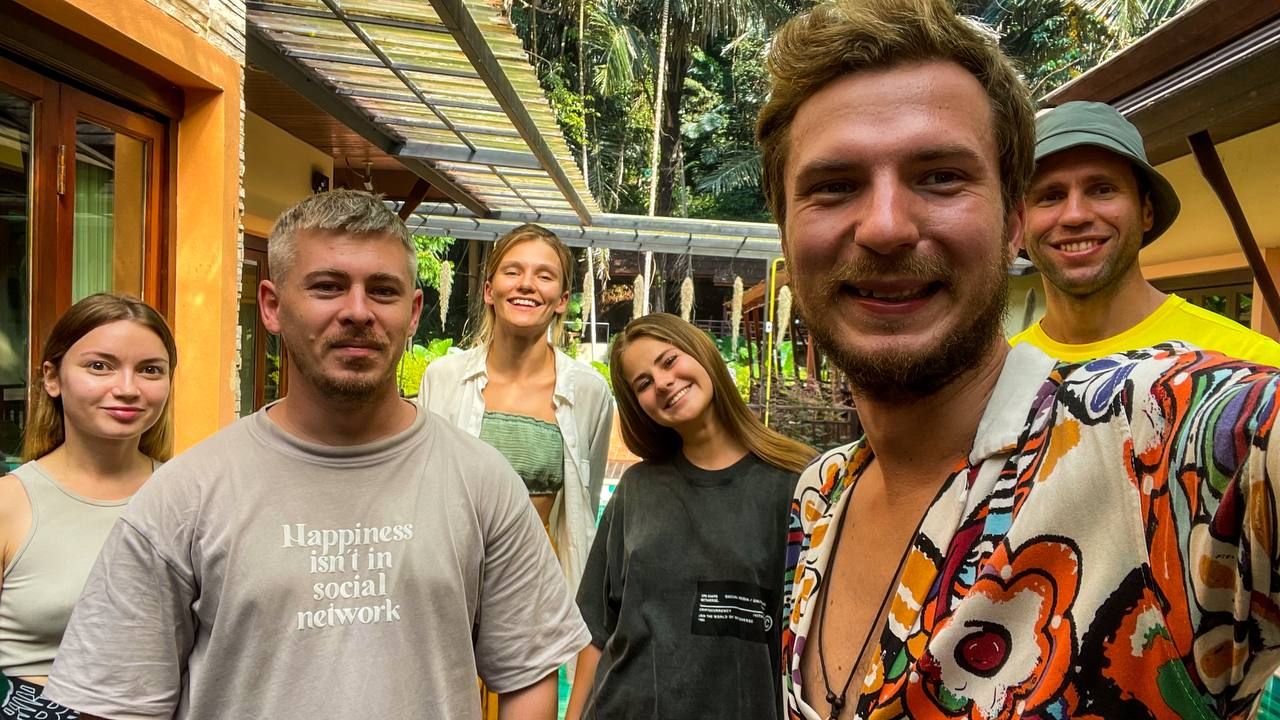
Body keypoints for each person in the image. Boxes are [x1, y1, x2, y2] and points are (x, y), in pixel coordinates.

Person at [755, 0, 1280, 718]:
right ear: (785, 233)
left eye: (941, 176)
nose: (885, 227)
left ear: (1012, 225)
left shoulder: (1158, 446)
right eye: (834, 186)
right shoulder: (819, 497)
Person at [42, 190, 588, 720]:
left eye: (383, 291)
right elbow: (119, 704)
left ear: (414, 311)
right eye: (327, 287)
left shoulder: (481, 480)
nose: (358, 311)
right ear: (272, 306)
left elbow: (528, 673)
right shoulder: (184, 496)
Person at [565, 313, 815, 720]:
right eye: (643, 383)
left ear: (702, 353)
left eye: (669, 361)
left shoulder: (796, 485)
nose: (663, 383)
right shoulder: (637, 490)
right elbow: (596, 631)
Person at [419, 223, 613, 718]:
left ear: (562, 299)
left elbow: (582, 504)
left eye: (544, 276)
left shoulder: (588, 392)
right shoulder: (443, 378)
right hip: (452, 573)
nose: (527, 284)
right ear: (489, 289)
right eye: (513, 271)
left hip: (532, 578)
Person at [0, 294, 176, 720]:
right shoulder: (9, 503)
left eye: (150, 370)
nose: (128, 388)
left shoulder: (192, 497)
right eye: (100, 366)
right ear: (52, 378)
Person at [1010, 101, 1280, 365]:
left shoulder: (1251, 366)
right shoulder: (999, 377)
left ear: (1146, 211)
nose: (1076, 215)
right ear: (1019, 225)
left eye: (1103, 189)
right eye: (1051, 196)